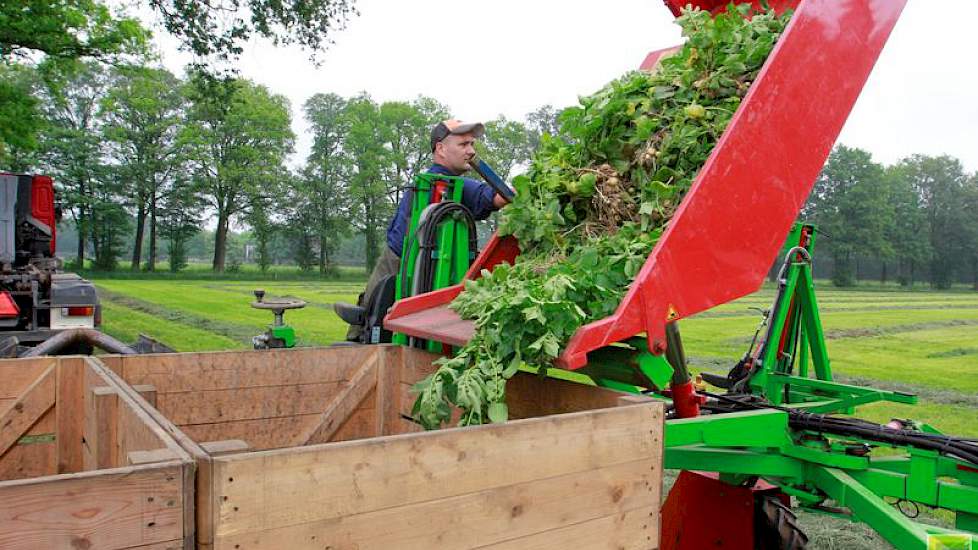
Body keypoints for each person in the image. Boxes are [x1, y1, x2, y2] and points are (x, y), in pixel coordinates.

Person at [345, 119, 510, 341]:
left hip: (400, 263)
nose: (471, 151)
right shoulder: (438, 183)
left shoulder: (455, 187)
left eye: (472, 145)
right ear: (440, 148)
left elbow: (498, 197)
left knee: (367, 326)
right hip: (395, 263)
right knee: (369, 322)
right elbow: (501, 196)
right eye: (463, 145)